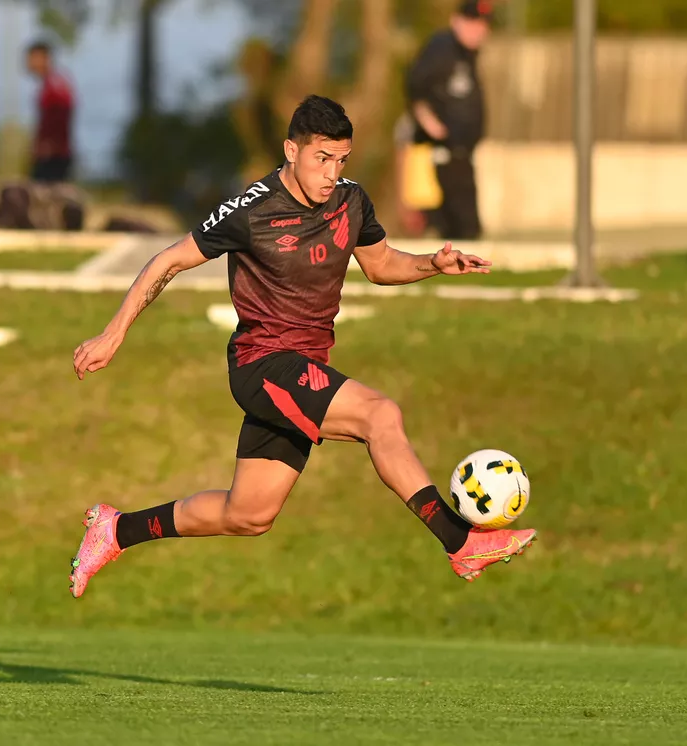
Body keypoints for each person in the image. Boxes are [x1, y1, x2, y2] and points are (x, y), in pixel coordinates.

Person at [68, 95, 536, 599]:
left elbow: (380, 266)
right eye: (322, 158)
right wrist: (113, 333)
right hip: (263, 364)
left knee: (248, 515)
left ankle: (115, 530)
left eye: (341, 160)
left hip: (304, 367)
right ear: (291, 150)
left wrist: (432, 264)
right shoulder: (252, 209)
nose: (332, 172)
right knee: (380, 415)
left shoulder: (351, 200)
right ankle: (459, 542)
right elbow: (167, 261)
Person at [405, 0, 491, 240]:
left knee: (466, 225)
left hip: (462, 152)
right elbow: (415, 87)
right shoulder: (441, 48)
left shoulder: (468, 54)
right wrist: (431, 124)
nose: (480, 30)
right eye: (474, 23)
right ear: (458, 21)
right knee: (461, 224)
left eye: (483, 24)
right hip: (443, 152)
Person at [25, 41, 75, 183]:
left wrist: (48, 145)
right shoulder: (48, 85)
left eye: (32, 58)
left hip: (53, 155)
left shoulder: (55, 86)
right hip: (49, 153)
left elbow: (61, 117)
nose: (29, 64)